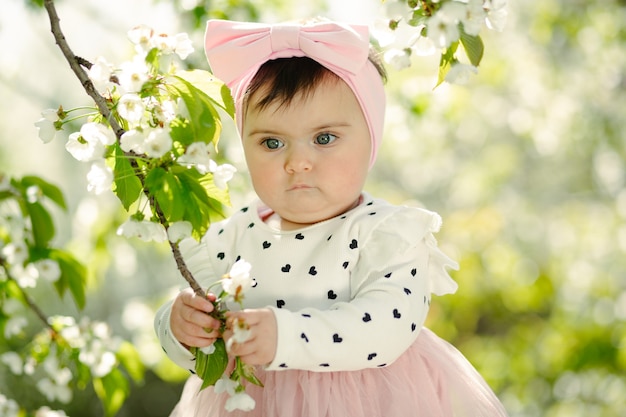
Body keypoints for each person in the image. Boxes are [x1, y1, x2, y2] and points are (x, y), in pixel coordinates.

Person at [154, 18, 508, 417]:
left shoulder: (386, 235)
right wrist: (179, 328)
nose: (298, 162)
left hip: (371, 402)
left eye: (324, 139)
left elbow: (386, 329)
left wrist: (286, 337)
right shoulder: (228, 239)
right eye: (272, 142)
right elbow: (203, 356)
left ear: (370, 139)